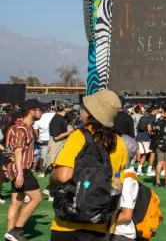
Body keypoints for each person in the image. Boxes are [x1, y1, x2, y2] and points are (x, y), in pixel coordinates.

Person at [50, 89, 128, 241]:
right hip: (100, 221)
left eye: (85, 108)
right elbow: (118, 183)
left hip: (68, 222)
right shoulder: (119, 143)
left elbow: (63, 175)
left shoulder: (79, 136)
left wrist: (52, 177)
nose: (82, 111)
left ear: (92, 113)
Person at [4, 99, 44, 241]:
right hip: (21, 169)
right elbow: (18, 151)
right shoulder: (22, 128)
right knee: (37, 198)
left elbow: (8, 151)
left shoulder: (17, 127)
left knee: (17, 202)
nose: (41, 112)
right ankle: (16, 231)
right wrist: (20, 173)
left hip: (15, 168)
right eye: (39, 110)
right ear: (31, 111)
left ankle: (9, 235)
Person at [113, 135, 140, 241]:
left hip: (121, 234)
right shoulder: (125, 174)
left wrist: (105, 224)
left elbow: (127, 215)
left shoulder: (127, 179)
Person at [32, 103, 54, 178]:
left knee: (43, 156)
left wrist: (38, 137)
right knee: (53, 155)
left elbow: (35, 129)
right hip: (51, 139)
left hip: (42, 140)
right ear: (48, 109)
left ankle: (42, 172)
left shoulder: (38, 118)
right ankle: (53, 170)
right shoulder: (52, 115)